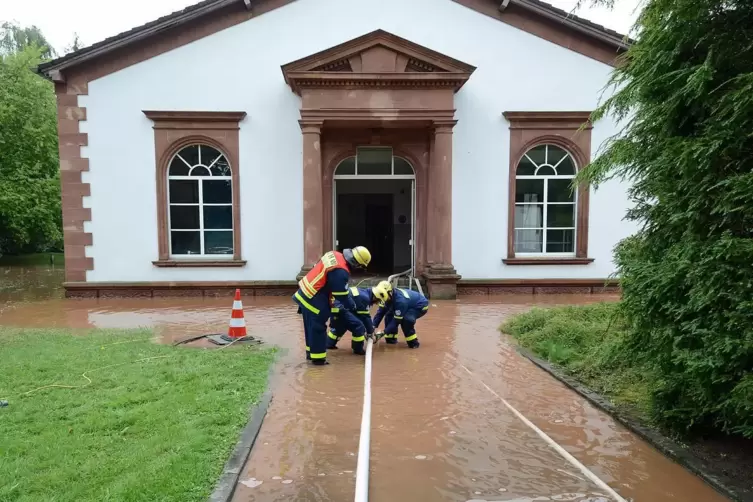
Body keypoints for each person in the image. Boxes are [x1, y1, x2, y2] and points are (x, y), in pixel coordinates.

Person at [293, 247, 371, 365]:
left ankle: (310, 354)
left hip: (305, 292)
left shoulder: (334, 254)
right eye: (360, 266)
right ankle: (318, 361)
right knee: (318, 328)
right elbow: (342, 295)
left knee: (310, 327)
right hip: (315, 298)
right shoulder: (341, 271)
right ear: (356, 263)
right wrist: (353, 306)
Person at [372, 281, 428, 349]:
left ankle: (413, 343)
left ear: (390, 292)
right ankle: (391, 340)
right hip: (407, 303)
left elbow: (396, 321)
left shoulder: (400, 301)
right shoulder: (384, 296)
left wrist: (382, 333)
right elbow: (380, 313)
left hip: (419, 306)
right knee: (389, 315)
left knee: (406, 320)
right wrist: (372, 327)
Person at [327, 286, 379, 355]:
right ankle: (358, 349)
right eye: (377, 301)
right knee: (359, 326)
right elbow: (366, 317)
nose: (376, 303)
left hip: (336, 307)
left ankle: (329, 343)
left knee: (342, 325)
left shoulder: (362, 292)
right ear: (375, 297)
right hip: (340, 308)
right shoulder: (365, 298)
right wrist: (371, 333)